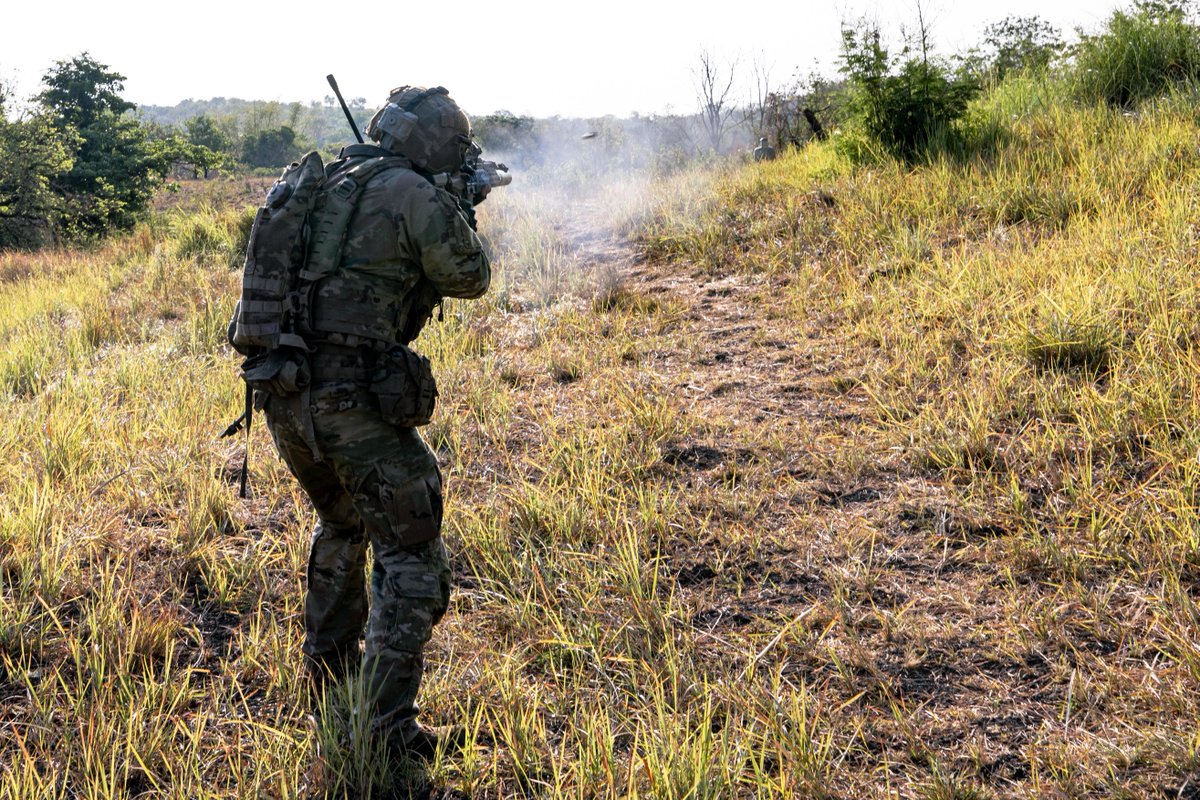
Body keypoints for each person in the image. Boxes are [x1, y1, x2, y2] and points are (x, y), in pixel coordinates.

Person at [260, 85, 490, 758]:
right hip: (349, 399)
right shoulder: (411, 194)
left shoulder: (333, 179)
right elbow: (470, 275)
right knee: (411, 555)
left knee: (342, 524)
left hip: (287, 397)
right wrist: (459, 207)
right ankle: (386, 735)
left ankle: (329, 684)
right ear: (437, 146)